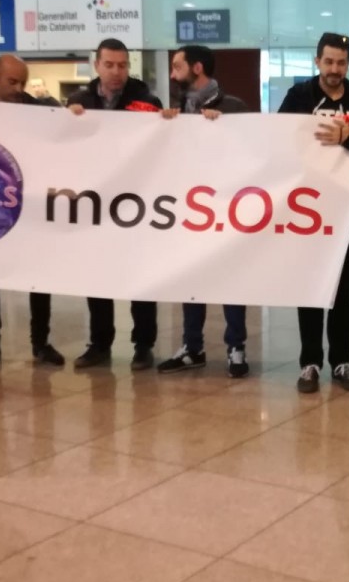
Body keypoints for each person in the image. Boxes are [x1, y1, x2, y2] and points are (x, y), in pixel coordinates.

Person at [278, 32, 349, 393]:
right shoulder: (297, 98)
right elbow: (277, 140)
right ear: (317, 61)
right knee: (311, 285)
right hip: (308, 209)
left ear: (348, 64)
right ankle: (310, 362)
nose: (335, 69)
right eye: (329, 61)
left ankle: (342, 362)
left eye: (341, 62)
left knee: (344, 288)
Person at [0, 55, 65, 371]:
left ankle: (41, 343)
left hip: (29, 207)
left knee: (38, 277)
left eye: (23, 81)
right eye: (12, 81)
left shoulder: (37, 110)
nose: (19, 88)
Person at [67, 38, 163, 371]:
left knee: (140, 275)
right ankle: (99, 343)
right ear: (97, 65)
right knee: (97, 275)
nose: (116, 72)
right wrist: (67, 119)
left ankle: (143, 344)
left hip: (136, 203)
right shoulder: (79, 101)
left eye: (122, 65)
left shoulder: (146, 100)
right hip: (95, 203)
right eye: (109, 65)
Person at [157, 45, 252, 379]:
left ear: (197, 68)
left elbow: (253, 152)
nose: (172, 74)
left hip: (226, 209)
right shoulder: (179, 109)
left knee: (230, 279)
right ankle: (192, 347)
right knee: (191, 277)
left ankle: (235, 347)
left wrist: (222, 128)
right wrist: (168, 127)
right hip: (189, 210)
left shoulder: (234, 107)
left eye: (177, 66)